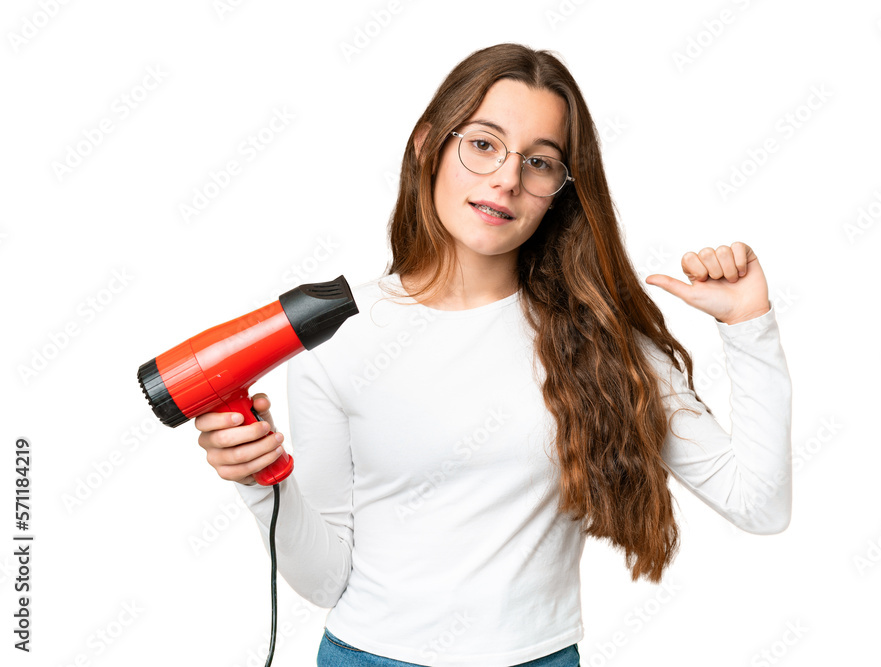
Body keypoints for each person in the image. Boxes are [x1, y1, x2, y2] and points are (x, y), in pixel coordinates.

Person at [195, 42, 792, 667]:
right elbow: (323, 581)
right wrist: (258, 481)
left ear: (559, 189)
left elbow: (760, 504)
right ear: (429, 144)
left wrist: (750, 326)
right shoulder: (336, 336)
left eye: (539, 162)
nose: (506, 178)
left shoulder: (603, 341)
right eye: (483, 144)